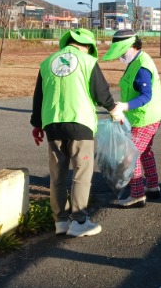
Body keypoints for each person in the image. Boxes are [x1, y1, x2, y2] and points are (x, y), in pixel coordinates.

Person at [30, 28, 123, 237]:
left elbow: (39, 97)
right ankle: (79, 220)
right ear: (88, 46)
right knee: (81, 172)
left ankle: (61, 221)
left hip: (52, 123)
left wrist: (37, 125)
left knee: (57, 175)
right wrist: (114, 111)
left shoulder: (47, 63)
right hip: (79, 122)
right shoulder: (88, 61)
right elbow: (101, 93)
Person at [102, 29, 161, 208]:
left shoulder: (142, 66)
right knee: (145, 151)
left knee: (131, 154)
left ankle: (137, 194)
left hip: (145, 118)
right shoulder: (137, 60)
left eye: (122, 52)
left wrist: (125, 106)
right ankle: (152, 186)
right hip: (147, 115)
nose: (121, 56)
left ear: (132, 46)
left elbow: (146, 95)